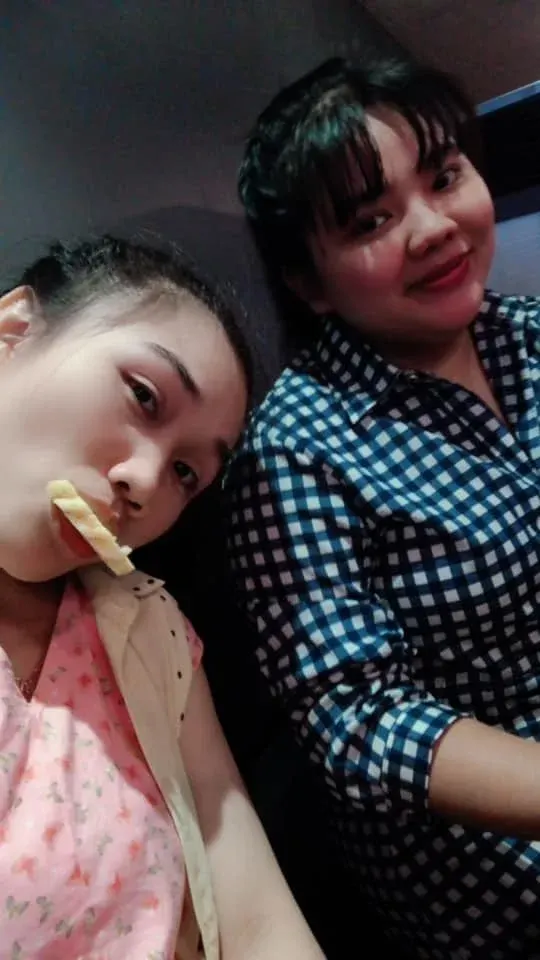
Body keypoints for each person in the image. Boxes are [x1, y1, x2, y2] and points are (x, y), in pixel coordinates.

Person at [224, 55, 540, 959]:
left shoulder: (525, 333)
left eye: (444, 177)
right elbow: (357, 717)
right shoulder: (297, 447)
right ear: (309, 282)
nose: (435, 228)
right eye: (371, 220)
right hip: (497, 883)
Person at [0, 234, 324, 960]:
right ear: (14, 330)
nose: (145, 484)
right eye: (144, 396)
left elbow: (259, 923)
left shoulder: (151, 631)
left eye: (186, 474)